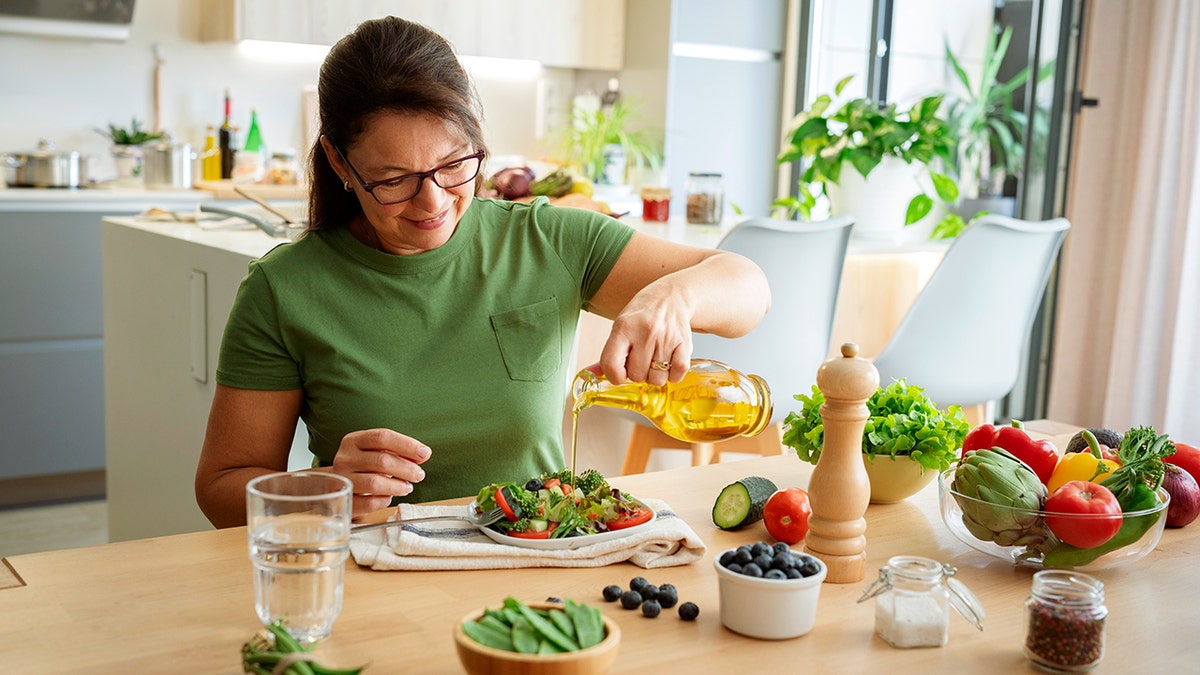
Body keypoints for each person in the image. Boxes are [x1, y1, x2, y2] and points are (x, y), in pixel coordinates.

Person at [194, 16, 770, 528]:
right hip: (380, 578)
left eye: (453, 165)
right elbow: (221, 489)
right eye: (393, 179)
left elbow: (749, 289)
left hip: (537, 565)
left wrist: (672, 297)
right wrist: (326, 492)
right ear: (340, 163)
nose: (432, 202)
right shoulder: (286, 288)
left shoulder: (548, 240)